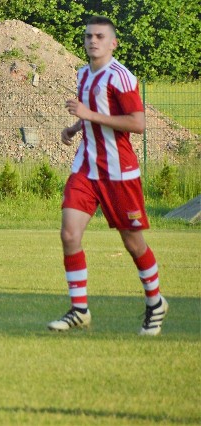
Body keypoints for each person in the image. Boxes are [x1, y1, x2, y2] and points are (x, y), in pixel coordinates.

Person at [48, 16, 167, 335]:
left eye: (100, 36)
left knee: (133, 243)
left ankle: (155, 303)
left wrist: (87, 115)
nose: (92, 41)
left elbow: (137, 123)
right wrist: (75, 127)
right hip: (86, 168)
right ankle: (79, 309)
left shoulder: (122, 78)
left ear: (113, 43)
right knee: (69, 235)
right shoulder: (83, 74)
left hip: (119, 173)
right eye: (88, 36)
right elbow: (93, 117)